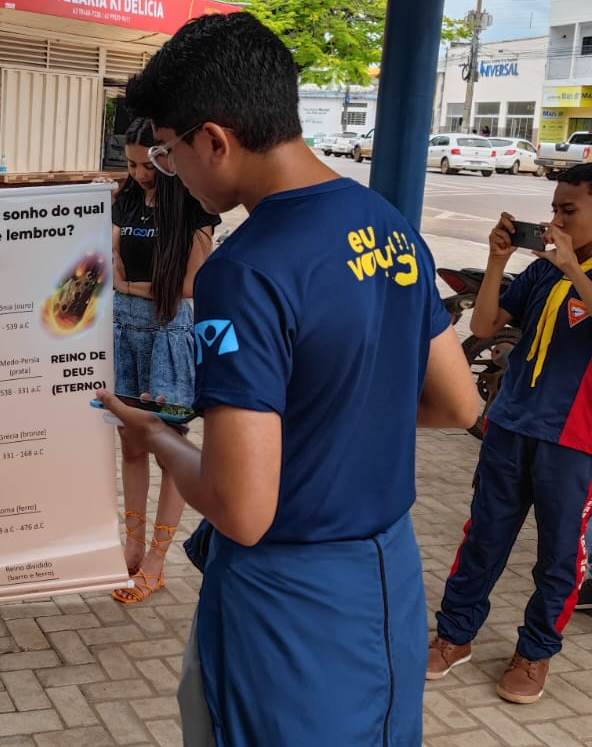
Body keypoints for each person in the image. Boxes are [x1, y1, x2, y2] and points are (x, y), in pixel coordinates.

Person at [101, 13, 479, 744]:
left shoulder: (244, 272)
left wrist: (154, 434)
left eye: (172, 154)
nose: (171, 171)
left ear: (215, 139)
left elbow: (242, 508)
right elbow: (457, 400)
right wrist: (340, 420)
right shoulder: (387, 223)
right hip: (387, 582)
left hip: (290, 605)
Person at [428, 163, 592, 704]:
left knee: (560, 555)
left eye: (568, 210)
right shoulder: (544, 270)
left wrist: (574, 269)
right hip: (512, 422)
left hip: (574, 441)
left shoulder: (568, 268)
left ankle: (535, 651)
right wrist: (500, 260)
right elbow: (482, 327)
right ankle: (454, 635)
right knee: (485, 536)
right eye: (553, 209)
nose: (554, 220)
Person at [109, 118, 219, 605]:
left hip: (170, 330)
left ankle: (157, 559)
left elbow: (195, 283)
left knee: (168, 444)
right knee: (130, 438)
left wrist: (135, 286)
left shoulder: (193, 206)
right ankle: (132, 547)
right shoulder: (127, 197)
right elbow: (107, 261)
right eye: (130, 164)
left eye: (147, 162)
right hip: (122, 328)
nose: (139, 173)